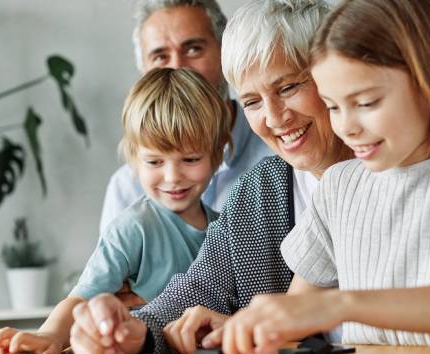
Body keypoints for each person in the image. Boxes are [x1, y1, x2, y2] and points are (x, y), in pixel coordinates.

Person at [219, 0, 430, 351]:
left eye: (365, 103)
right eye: (333, 106)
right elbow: (288, 324)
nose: (346, 127)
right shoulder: (339, 187)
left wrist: (341, 305)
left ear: (428, 83)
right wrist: (237, 329)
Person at [67, 2, 351, 354]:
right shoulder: (258, 190)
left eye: (289, 87)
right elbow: (194, 292)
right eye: (251, 101)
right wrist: (131, 335)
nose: (274, 118)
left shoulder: (386, 174)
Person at [0, 67, 231, 354]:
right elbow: (83, 299)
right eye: (154, 162)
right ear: (134, 159)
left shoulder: (226, 227)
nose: (172, 176)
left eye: (190, 159)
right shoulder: (134, 227)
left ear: (217, 155)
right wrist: (50, 335)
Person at [99, 0, 273, 232]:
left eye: (193, 49)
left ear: (225, 52)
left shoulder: (280, 155)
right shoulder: (127, 188)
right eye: (160, 56)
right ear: (144, 73)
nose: (178, 67)